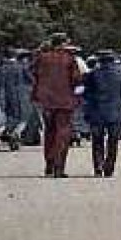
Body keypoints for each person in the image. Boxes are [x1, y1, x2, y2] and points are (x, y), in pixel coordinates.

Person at [33, 32, 84, 177]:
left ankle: (49, 163)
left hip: (46, 101)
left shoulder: (42, 58)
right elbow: (76, 79)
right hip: (64, 101)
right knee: (63, 133)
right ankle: (58, 166)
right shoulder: (69, 59)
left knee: (49, 132)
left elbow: (34, 74)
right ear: (63, 43)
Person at [83, 50, 121, 177]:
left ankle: (98, 166)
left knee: (97, 141)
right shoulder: (119, 75)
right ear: (112, 61)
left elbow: (86, 94)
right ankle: (109, 167)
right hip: (115, 113)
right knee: (113, 142)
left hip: (96, 112)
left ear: (99, 61)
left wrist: (87, 111)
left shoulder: (92, 75)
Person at [0, 51, 32, 151]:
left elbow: (0, 85)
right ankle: (13, 134)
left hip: (7, 96)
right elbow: (31, 80)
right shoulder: (21, 67)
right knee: (22, 118)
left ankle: (9, 132)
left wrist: (1, 98)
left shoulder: (2, 69)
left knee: (10, 116)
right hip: (19, 96)